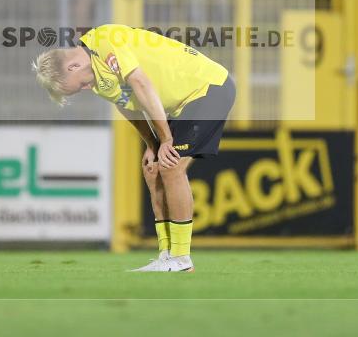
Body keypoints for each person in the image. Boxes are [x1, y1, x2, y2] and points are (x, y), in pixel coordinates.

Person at [32, 24, 236, 273]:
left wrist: (167, 140)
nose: (85, 89)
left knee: (171, 166)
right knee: (154, 171)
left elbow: (141, 84)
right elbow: (128, 106)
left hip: (208, 88)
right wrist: (152, 143)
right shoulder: (97, 78)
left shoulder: (106, 40)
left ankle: (182, 260)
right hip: (184, 103)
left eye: (78, 86)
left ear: (73, 66)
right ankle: (166, 255)